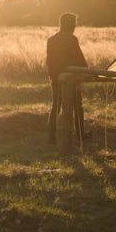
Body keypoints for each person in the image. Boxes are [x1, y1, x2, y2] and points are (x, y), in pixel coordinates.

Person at [46, 12, 87, 143]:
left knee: (56, 106)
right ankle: (81, 135)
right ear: (70, 24)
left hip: (56, 78)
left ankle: (51, 137)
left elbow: (49, 61)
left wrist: (53, 75)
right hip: (71, 78)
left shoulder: (51, 40)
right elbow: (79, 60)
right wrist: (85, 71)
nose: (75, 26)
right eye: (74, 23)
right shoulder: (72, 39)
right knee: (77, 106)